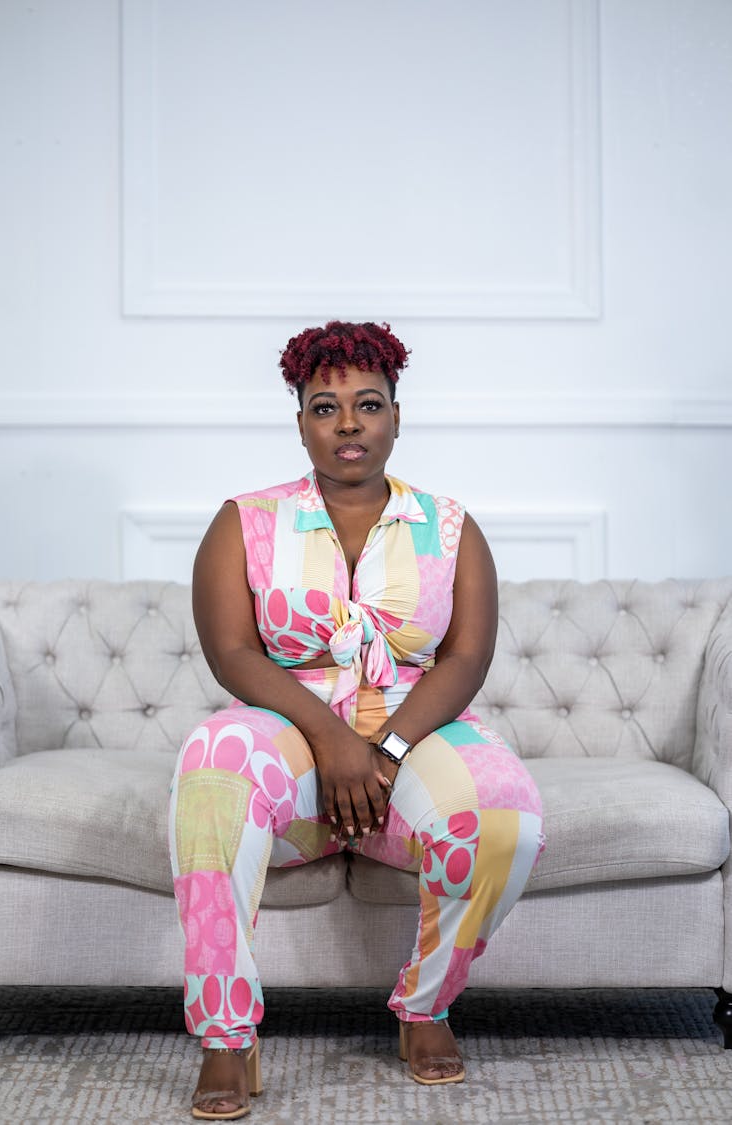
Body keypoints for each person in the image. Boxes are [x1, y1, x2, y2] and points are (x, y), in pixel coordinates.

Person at [169, 321, 545, 1120]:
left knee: (506, 814)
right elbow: (233, 652)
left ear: (397, 417)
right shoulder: (245, 521)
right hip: (290, 731)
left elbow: (465, 658)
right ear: (299, 420)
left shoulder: (449, 526)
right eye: (325, 407)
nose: (348, 424)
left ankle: (426, 1006)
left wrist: (390, 744)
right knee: (212, 769)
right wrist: (334, 740)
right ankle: (226, 1036)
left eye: (368, 405)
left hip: (413, 730)